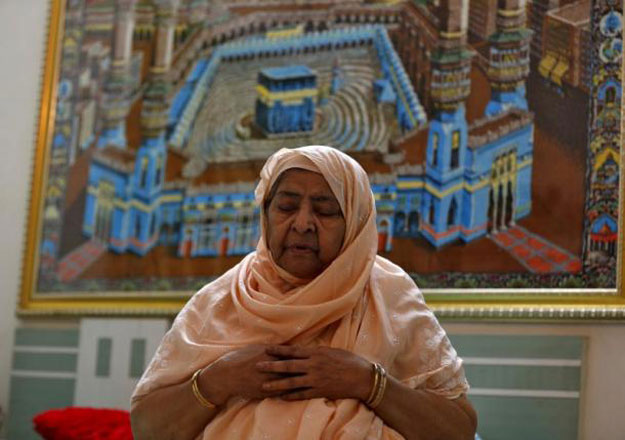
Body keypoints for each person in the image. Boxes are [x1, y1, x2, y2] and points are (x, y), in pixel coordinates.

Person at [130, 145, 477, 440]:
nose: (302, 223)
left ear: (354, 221)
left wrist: (368, 383)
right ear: (265, 214)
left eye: (325, 210)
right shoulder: (221, 300)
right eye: (286, 207)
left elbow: (459, 428)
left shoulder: (389, 293)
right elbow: (147, 427)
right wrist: (218, 380)